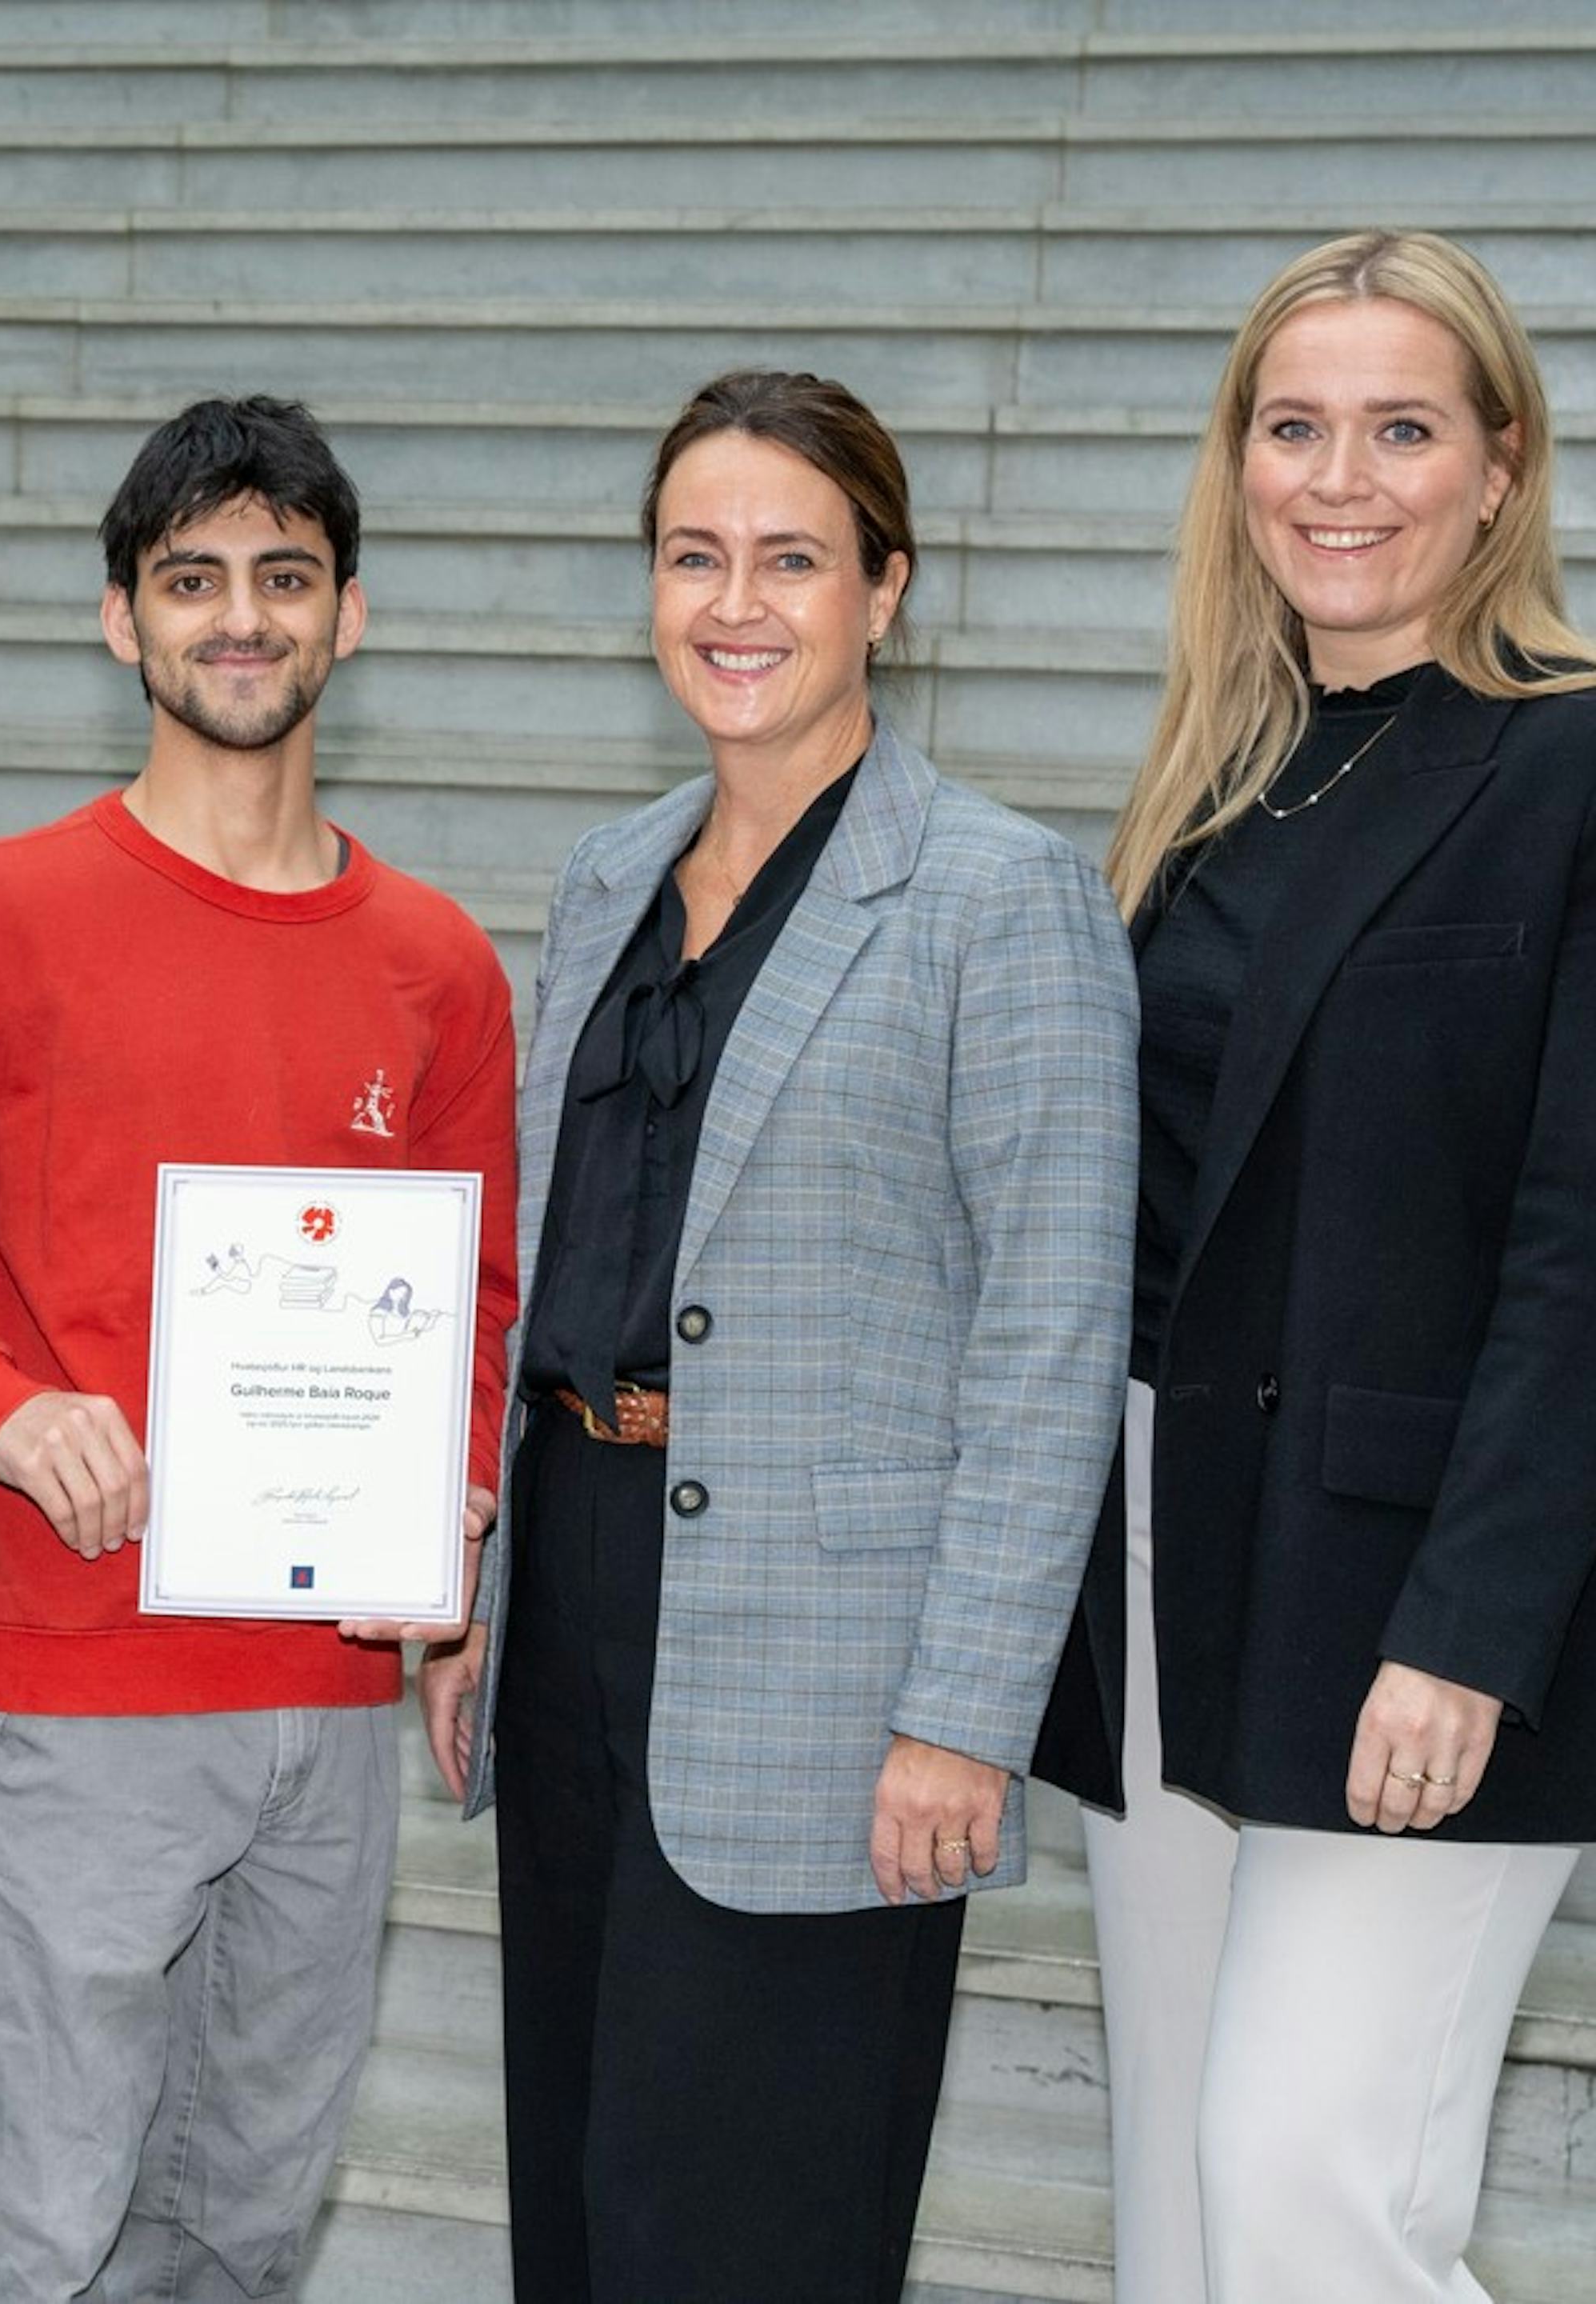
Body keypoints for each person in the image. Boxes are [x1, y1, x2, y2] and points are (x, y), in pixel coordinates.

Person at [424, 369, 1138, 2301]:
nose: (735, 604)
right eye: (694, 556)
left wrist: (961, 1716)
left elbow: (1052, 1342)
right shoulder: (605, 880)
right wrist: (475, 1575)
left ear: (886, 591)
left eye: (792, 559)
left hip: (836, 1685)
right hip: (581, 1594)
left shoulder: (1006, 900)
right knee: (579, 2210)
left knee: (748, 2237)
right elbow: (561, 1257)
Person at [0, 395, 519, 2302]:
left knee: (247, 2232)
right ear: (120, 618)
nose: (241, 618)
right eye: (192, 579)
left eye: (284, 579)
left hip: (327, 1695)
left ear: (349, 617)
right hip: (70, 1690)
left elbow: (477, 1296)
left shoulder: (437, 965)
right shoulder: (0, 921)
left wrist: (451, 1499)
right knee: (33, 2241)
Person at [1030, 229, 1596, 2304]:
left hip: (1420, 1607)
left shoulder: (1567, 764)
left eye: (1400, 428)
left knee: (1303, 2194)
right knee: (1186, 2222)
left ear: (1502, 465)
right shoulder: (1208, 791)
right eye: (1294, 427)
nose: (1337, 478)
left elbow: (1582, 1251)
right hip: (1179, 1560)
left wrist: (1469, 1628)